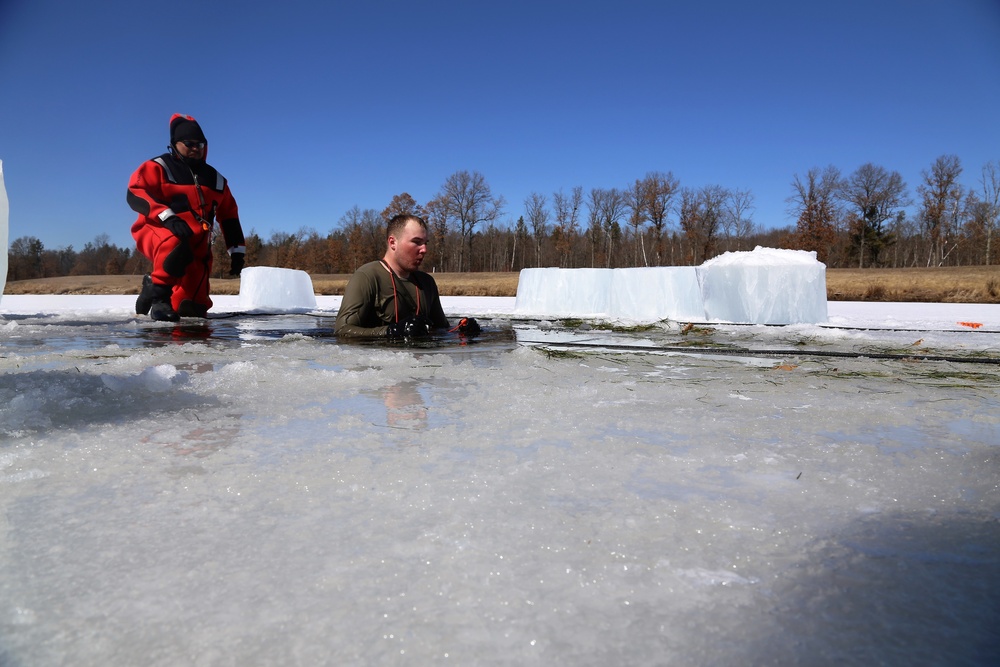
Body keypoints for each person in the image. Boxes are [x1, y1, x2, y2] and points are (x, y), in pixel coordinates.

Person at [127, 113, 246, 321]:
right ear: (174, 144)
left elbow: (229, 215)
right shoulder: (157, 168)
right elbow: (135, 193)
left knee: (191, 308)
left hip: (197, 242)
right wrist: (167, 216)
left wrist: (237, 251)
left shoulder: (216, 180)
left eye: (200, 145)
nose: (195, 149)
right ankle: (158, 297)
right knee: (175, 239)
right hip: (157, 230)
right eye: (189, 144)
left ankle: (153, 287)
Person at [335, 213, 479, 339]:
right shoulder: (367, 277)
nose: (424, 250)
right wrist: (391, 331)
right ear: (393, 242)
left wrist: (461, 331)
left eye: (425, 243)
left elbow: (441, 329)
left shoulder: (426, 282)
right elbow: (342, 331)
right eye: (416, 242)